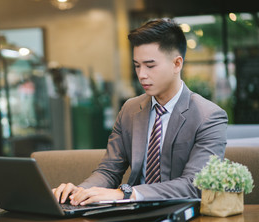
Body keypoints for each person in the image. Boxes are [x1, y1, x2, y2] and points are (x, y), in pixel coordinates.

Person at [53, 18, 228, 206]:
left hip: (181, 214)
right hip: (130, 212)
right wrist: (80, 192)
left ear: (177, 64)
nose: (142, 74)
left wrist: (126, 193)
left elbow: (195, 185)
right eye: (137, 65)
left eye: (150, 65)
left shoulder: (209, 116)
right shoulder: (130, 109)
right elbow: (109, 171)